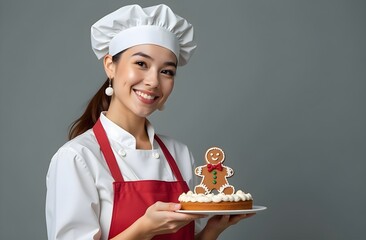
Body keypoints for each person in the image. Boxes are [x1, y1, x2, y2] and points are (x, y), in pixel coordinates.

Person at [45, 4, 253, 240]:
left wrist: (213, 230)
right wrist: (144, 229)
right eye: (141, 64)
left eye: (167, 71)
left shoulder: (179, 154)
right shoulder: (78, 158)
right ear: (110, 66)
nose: (153, 81)